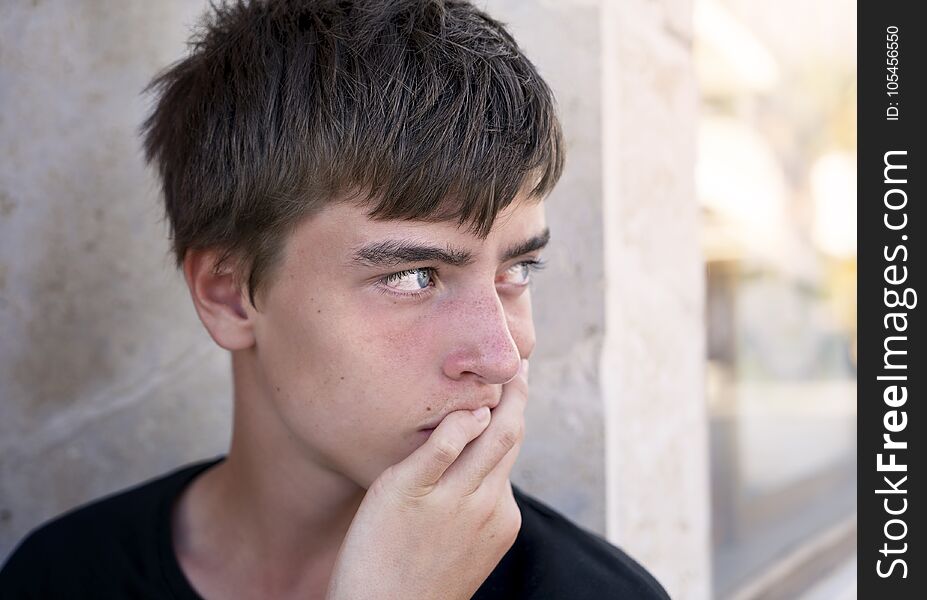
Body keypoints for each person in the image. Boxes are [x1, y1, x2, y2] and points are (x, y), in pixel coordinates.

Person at [0, 1, 671, 598]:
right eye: (414, 276)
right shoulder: (61, 576)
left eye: (518, 269)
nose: (501, 356)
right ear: (229, 295)